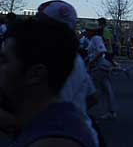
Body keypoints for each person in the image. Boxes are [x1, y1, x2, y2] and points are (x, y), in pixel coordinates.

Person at [1, 18, 97, 147]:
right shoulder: (58, 122)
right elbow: (93, 97)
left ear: (35, 74)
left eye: (4, 61)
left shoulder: (54, 142)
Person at [36, 0, 100, 147]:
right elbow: (93, 97)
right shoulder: (72, 56)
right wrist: (77, 113)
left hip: (61, 138)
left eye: (40, 21)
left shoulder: (54, 59)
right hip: (80, 133)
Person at [87, 22, 117, 120]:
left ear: (92, 31)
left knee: (94, 88)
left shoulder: (96, 39)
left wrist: (93, 62)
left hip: (99, 66)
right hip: (100, 65)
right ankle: (111, 111)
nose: (87, 32)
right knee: (107, 89)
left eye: (88, 30)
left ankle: (84, 109)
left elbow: (101, 51)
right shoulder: (94, 39)